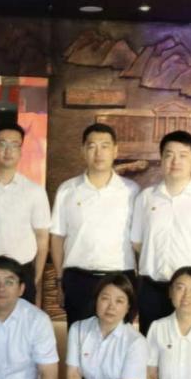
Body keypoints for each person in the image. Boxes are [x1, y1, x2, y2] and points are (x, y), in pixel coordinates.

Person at [130, 130, 191, 333]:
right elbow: (137, 243)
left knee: (190, 348)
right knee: (151, 346)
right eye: (169, 155)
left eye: (183, 155)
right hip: (152, 290)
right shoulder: (146, 198)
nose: (175, 161)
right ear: (161, 159)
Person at [49, 123, 139, 323]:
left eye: (105, 146)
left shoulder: (131, 191)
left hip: (120, 278)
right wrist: (60, 279)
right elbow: (57, 237)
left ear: (115, 150)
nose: (99, 153)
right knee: (80, 338)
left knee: (119, 339)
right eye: (92, 146)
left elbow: (139, 240)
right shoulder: (67, 190)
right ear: (83, 150)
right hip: (78, 279)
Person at [0, 126, 50, 304]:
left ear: (21, 151)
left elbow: (42, 238)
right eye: (2, 144)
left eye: (14, 145)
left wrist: (35, 278)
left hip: (22, 272)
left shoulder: (34, 191)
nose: (8, 151)